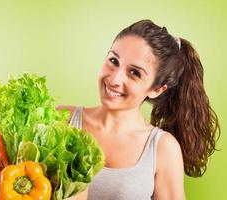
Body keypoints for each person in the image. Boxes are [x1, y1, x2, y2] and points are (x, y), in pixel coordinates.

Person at [57, 19, 220, 200]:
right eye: (113, 60)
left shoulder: (162, 148)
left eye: (135, 73)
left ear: (157, 89)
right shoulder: (62, 119)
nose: (115, 79)